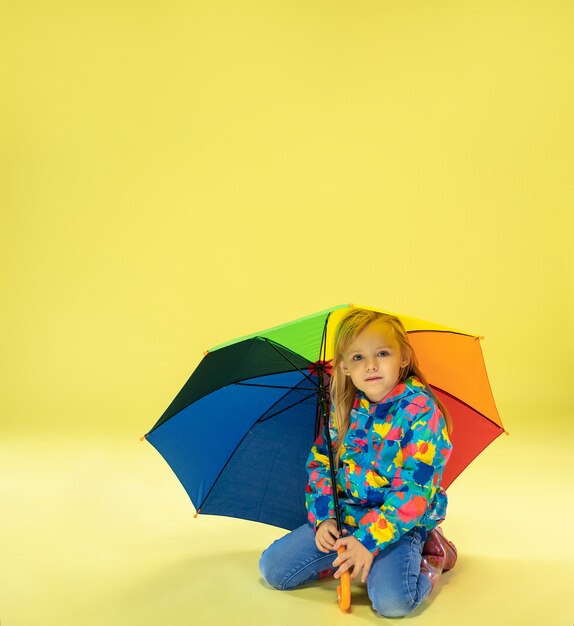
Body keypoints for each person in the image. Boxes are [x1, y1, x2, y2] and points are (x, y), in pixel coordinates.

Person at [259, 308, 458, 617]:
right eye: (357, 358)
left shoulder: (421, 413)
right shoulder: (343, 408)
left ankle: (432, 556)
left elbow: (414, 491)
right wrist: (325, 518)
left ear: (403, 357)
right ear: (344, 368)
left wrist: (367, 542)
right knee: (273, 569)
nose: (371, 366)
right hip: (346, 516)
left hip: (399, 524)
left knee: (392, 603)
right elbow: (321, 466)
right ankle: (343, 559)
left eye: (382, 353)